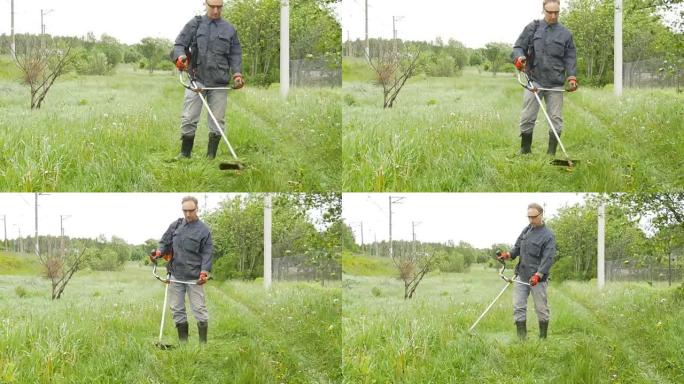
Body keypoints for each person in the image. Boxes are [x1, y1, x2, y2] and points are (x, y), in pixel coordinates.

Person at [171, 0, 244, 159]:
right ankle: (185, 155)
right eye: (213, 7)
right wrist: (181, 57)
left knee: (217, 121)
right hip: (196, 79)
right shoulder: (195, 24)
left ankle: (210, 158)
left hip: (219, 83)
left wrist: (237, 74)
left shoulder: (229, 29)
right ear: (206, 4)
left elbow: (235, 54)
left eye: (219, 7)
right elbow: (179, 44)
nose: (216, 11)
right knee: (189, 117)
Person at [511, 0, 577, 155]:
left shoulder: (566, 34)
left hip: (555, 83)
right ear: (543, 10)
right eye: (550, 12)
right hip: (534, 79)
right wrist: (520, 58)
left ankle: (551, 153)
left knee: (555, 118)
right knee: (528, 116)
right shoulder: (533, 28)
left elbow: (570, 57)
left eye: (556, 12)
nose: (553, 16)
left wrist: (572, 76)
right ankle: (525, 150)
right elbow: (518, 47)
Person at [151, 196, 214, 344]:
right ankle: (183, 345)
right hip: (175, 275)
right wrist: (159, 252)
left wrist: (204, 272)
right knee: (177, 309)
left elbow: (207, 253)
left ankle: (203, 345)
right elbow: (165, 242)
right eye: (185, 211)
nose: (188, 214)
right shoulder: (176, 225)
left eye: (191, 211)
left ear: (197, 209)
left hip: (194, 278)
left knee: (199, 309)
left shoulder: (203, 230)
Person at [496, 203, 556, 340]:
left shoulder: (548, 236)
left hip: (537, 280)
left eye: (533, 217)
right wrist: (508, 255)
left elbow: (548, 259)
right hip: (521, 276)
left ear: (541, 215)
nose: (530, 220)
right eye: (528, 217)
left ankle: (543, 339)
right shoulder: (526, 230)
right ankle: (522, 340)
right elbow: (517, 247)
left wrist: (538, 275)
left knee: (541, 309)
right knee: (518, 307)